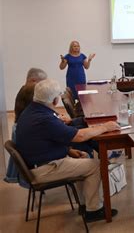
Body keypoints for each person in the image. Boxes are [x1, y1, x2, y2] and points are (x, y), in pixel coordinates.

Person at [15, 79, 120, 222]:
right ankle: (94, 210)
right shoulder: (44, 118)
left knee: (83, 160)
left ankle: (85, 205)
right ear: (55, 100)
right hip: (45, 169)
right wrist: (105, 127)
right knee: (95, 166)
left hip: (39, 164)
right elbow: (79, 136)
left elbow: (49, 138)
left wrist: (69, 152)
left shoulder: (32, 110)